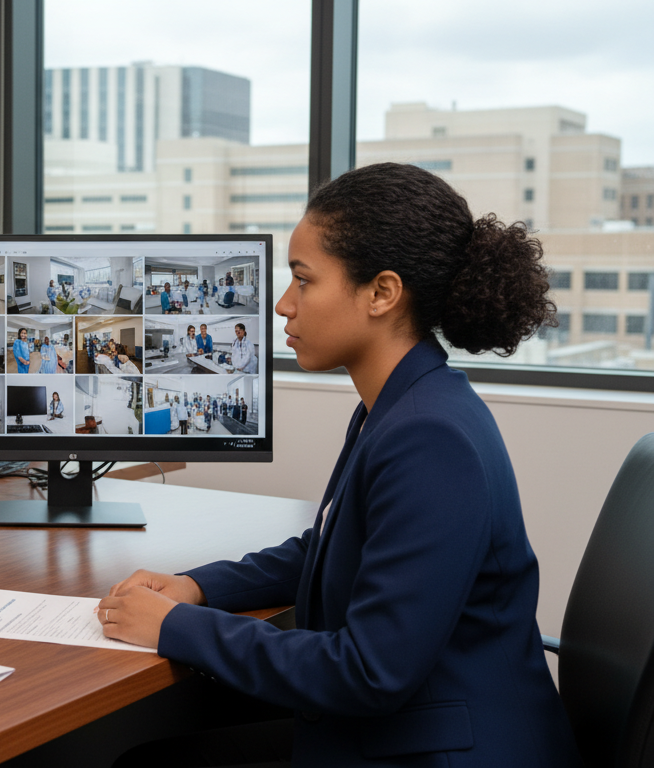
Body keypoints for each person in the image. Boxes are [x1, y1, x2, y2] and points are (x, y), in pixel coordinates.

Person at [97, 162, 580, 766]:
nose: (282, 305)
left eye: (303, 281)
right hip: (406, 729)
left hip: (444, 749)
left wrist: (174, 628)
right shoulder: (403, 403)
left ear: (381, 292)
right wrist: (198, 586)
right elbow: (329, 543)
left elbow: (368, 673)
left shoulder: (430, 436)